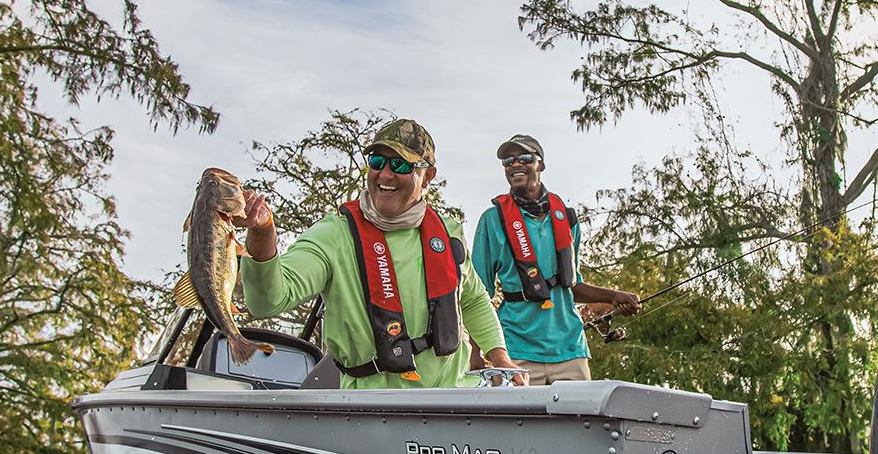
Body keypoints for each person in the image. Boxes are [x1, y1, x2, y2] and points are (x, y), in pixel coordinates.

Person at [234, 119, 527, 388]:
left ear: (427, 177)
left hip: (452, 401)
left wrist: (500, 357)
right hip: (372, 408)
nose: (385, 174)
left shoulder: (448, 233)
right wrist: (262, 231)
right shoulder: (334, 235)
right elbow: (267, 302)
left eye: (400, 165)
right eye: (377, 162)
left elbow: (473, 300)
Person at [469, 134, 640, 384]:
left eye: (524, 158)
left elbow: (571, 285)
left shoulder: (567, 218)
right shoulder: (492, 220)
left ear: (541, 164)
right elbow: (476, 295)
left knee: (583, 411)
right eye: (508, 161)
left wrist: (614, 297)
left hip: (571, 350)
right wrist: (475, 352)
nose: (515, 164)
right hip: (515, 353)